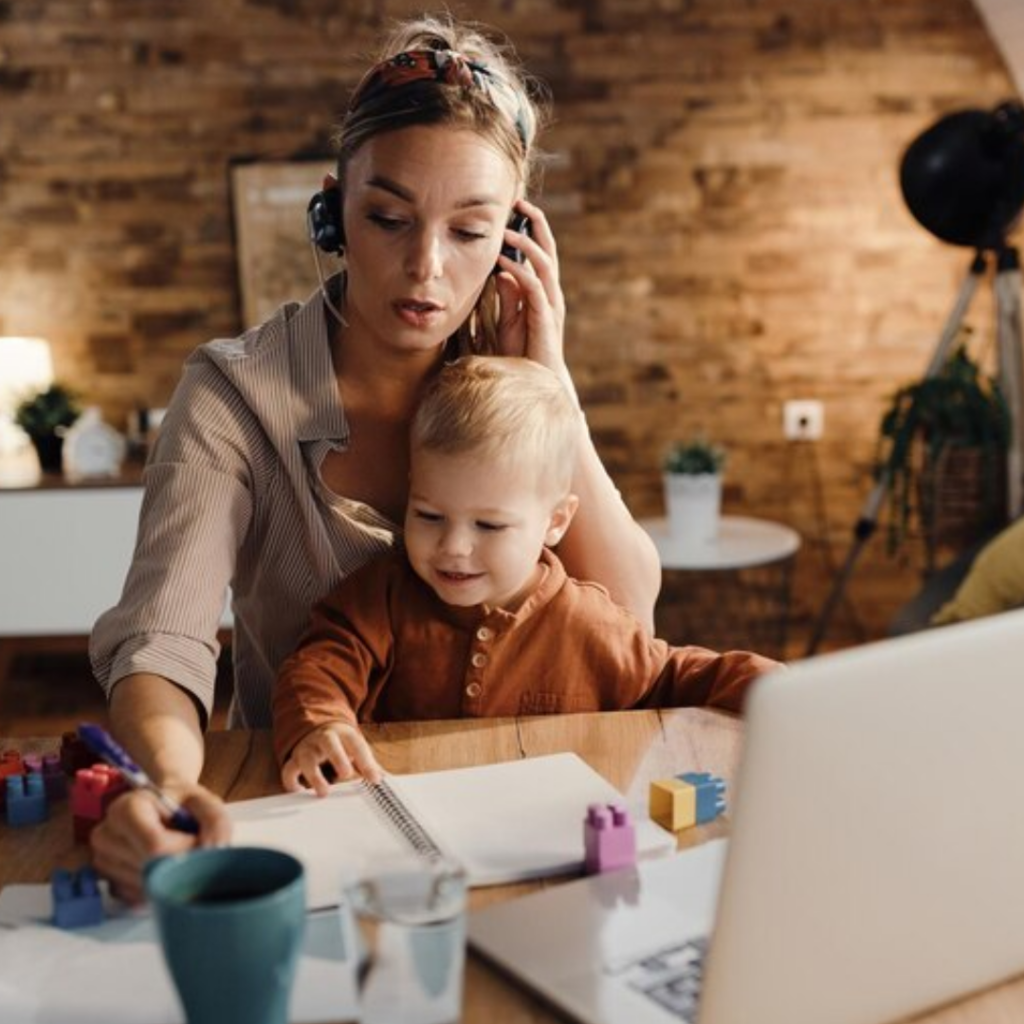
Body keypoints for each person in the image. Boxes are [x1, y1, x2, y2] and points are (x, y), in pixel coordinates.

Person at [86, 13, 662, 903]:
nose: (425, 266)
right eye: (388, 217)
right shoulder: (233, 397)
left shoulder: (512, 383)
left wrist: (550, 378)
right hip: (314, 811)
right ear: (333, 211)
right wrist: (165, 782)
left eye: (470, 232)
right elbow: (164, 640)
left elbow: (626, 612)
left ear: (514, 239)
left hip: (520, 811)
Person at [274, 357, 780, 793]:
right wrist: (321, 725)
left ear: (556, 521)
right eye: (428, 515)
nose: (453, 547)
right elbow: (317, 668)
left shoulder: (590, 625)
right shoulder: (379, 598)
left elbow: (674, 677)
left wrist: (781, 694)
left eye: (489, 525)